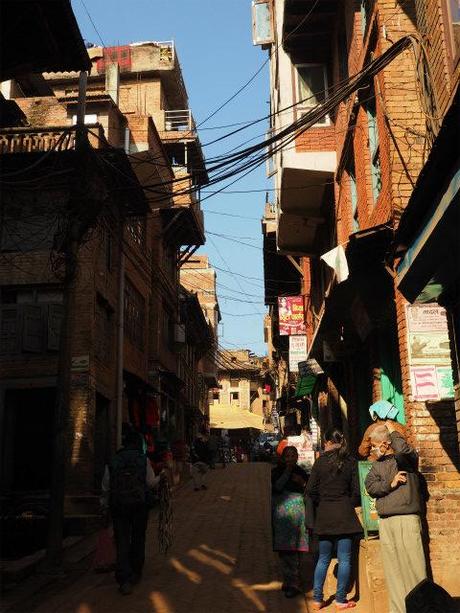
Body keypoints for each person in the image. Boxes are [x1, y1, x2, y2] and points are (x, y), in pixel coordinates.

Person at [365, 423, 427, 613]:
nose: (373, 450)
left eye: (375, 445)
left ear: (385, 443)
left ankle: (420, 608)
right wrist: (389, 484)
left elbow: (402, 449)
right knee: (394, 572)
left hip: (407, 518)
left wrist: (394, 432)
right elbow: (370, 486)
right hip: (386, 521)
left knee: (414, 569)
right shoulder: (378, 464)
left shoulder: (406, 460)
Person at [306, 428, 362, 610]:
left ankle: (317, 599)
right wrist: (345, 503)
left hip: (325, 516)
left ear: (328, 442)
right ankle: (340, 599)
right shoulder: (351, 462)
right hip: (345, 516)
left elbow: (310, 491)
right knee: (345, 559)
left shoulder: (320, 462)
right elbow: (356, 493)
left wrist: (322, 503)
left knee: (323, 559)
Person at [101, 431, 162, 595]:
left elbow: (106, 487)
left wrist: (105, 506)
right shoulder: (143, 460)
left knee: (121, 540)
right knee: (138, 537)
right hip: (139, 506)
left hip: (118, 506)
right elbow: (150, 483)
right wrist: (161, 477)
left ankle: (123, 577)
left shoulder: (114, 460)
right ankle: (136, 571)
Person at [271, 446, 309, 599]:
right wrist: (287, 472)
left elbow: (309, 490)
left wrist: (302, 482)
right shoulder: (276, 472)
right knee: (284, 551)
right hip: (282, 517)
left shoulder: (301, 472)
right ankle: (288, 580)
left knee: (294, 550)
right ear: (283, 458)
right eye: (288, 456)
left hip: (297, 516)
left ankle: (295, 583)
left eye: (294, 456)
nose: (291, 459)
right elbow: (277, 487)